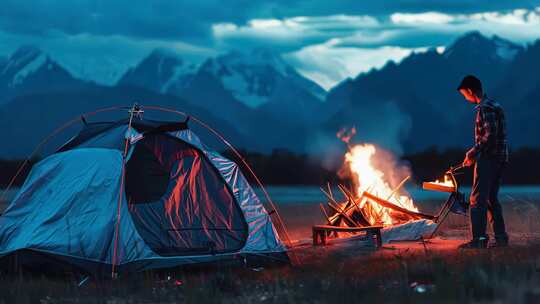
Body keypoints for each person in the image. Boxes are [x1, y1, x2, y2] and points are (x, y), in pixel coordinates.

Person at [457, 75, 509, 249]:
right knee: (491, 199)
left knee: (477, 199)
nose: (465, 98)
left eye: (464, 94)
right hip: (500, 158)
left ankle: (478, 240)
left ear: (470, 91)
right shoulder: (495, 105)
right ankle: (501, 239)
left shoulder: (484, 108)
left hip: (489, 159)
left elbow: (490, 136)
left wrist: (473, 152)